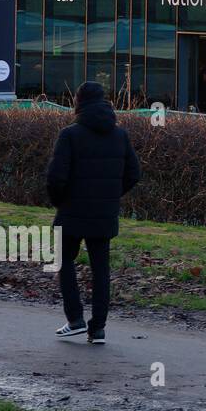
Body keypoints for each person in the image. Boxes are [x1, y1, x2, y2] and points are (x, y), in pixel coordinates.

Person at [47, 82, 141, 345]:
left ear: (79, 103)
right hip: (104, 213)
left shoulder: (70, 135)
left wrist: (60, 202)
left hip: (72, 212)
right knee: (101, 270)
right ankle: (97, 329)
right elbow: (134, 174)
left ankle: (74, 318)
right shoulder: (120, 135)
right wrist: (110, 196)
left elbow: (56, 178)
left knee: (62, 259)